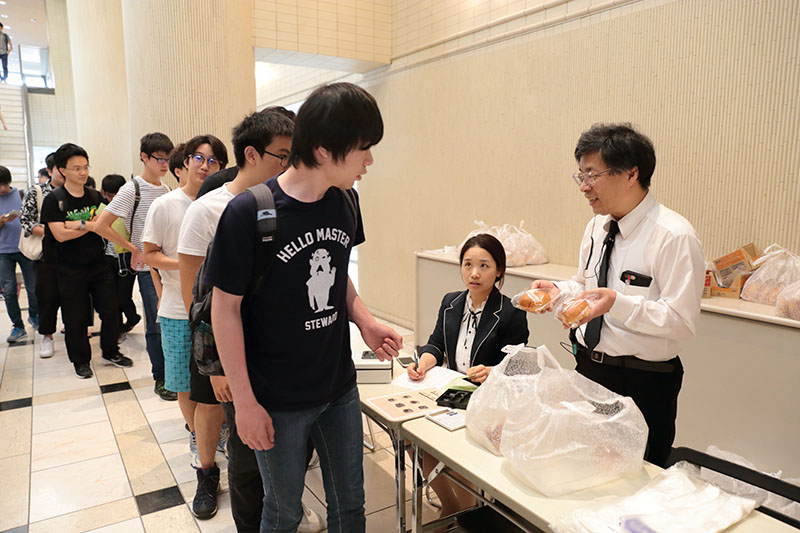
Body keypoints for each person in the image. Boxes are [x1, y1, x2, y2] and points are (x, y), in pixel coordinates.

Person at [208, 82, 402, 532]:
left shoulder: (344, 201)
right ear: (323, 149)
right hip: (275, 398)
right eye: (362, 149)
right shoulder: (247, 213)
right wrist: (246, 403)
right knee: (283, 511)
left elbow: (336, 273)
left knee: (351, 505)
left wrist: (365, 320)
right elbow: (225, 311)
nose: (369, 161)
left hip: (337, 387)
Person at [531, 123, 705, 467]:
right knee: (583, 464)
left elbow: (682, 323)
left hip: (644, 381)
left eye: (592, 174)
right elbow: (585, 284)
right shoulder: (597, 227)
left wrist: (620, 305)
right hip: (589, 368)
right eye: (579, 175)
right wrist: (561, 291)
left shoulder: (673, 236)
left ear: (631, 174)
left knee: (636, 476)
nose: (583, 187)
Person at [178, 109, 297, 530]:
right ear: (252, 153)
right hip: (229, 349)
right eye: (282, 155)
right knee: (240, 449)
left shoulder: (289, 203)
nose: (290, 164)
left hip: (276, 352)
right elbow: (196, 296)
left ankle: (283, 513)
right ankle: (216, 486)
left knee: (279, 444)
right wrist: (215, 368)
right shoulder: (208, 210)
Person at [407, 232, 528, 518]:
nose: (474, 273)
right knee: (412, 438)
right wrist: (423, 363)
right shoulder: (451, 302)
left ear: (499, 271)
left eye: (484, 266)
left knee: (457, 449)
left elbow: (519, 364)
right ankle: (453, 504)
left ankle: (468, 509)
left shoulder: (511, 311)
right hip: (451, 390)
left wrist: (493, 371)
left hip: (489, 400)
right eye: (467, 264)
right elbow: (436, 343)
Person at [142, 134, 228, 519]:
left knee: (215, 385)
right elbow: (148, 254)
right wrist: (189, 264)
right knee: (185, 382)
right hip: (179, 309)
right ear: (184, 162)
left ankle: (213, 435)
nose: (205, 165)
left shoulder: (228, 204)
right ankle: (198, 439)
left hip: (220, 311)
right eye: (199, 157)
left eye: (213, 160)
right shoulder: (166, 205)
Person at [39, 143, 133, 379]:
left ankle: (110, 351)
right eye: (76, 168)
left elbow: (104, 227)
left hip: (99, 265)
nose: (83, 172)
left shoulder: (94, 195)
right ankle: (81, 360)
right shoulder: (55, 200)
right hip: (68, 269)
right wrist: (89, 225)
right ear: (62, 170)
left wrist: (77, 224)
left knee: (111, 311)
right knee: (76, 317)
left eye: (85, 167)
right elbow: (59, 235)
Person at [94, 133, 177, 400]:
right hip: (147, 268)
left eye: (168, 158)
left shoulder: (166, 190)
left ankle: (174, 374)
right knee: (156, 323)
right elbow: (100, 225)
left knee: (172, 322)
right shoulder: (133, 189)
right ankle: (161, 377)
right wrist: (133, 248)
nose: (164, 164)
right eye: (159, 159)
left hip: (170, 265)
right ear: (144, 157)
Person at [21, 153, 64, 357]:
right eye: (59, 168)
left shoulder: (77, 192)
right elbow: (27, 221)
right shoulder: (37, 191)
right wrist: (55, 232)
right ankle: (47, 335)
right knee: (47, 296)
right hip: (46, 254)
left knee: (76, 295)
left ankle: (76, 331)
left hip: (74, 254)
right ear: (50, 171)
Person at [0, 165, 39, 343]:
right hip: (3, 252)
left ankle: (34, 315)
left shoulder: (21, 195)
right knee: (9, 291)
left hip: (25, 248)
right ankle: (18, 326)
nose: (2, 188)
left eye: (4, 184)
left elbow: (32, 218)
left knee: (33, 287)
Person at [99, 174, 140, 336]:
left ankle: (132, 318)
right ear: (104, 193)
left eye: (116, 195)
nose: (113, 199)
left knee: (123, 296)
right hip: (107, 259)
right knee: (111, 297)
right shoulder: (102, 209)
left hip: (126, 257)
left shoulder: (130, 208)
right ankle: (118, 328)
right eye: (109, 196)